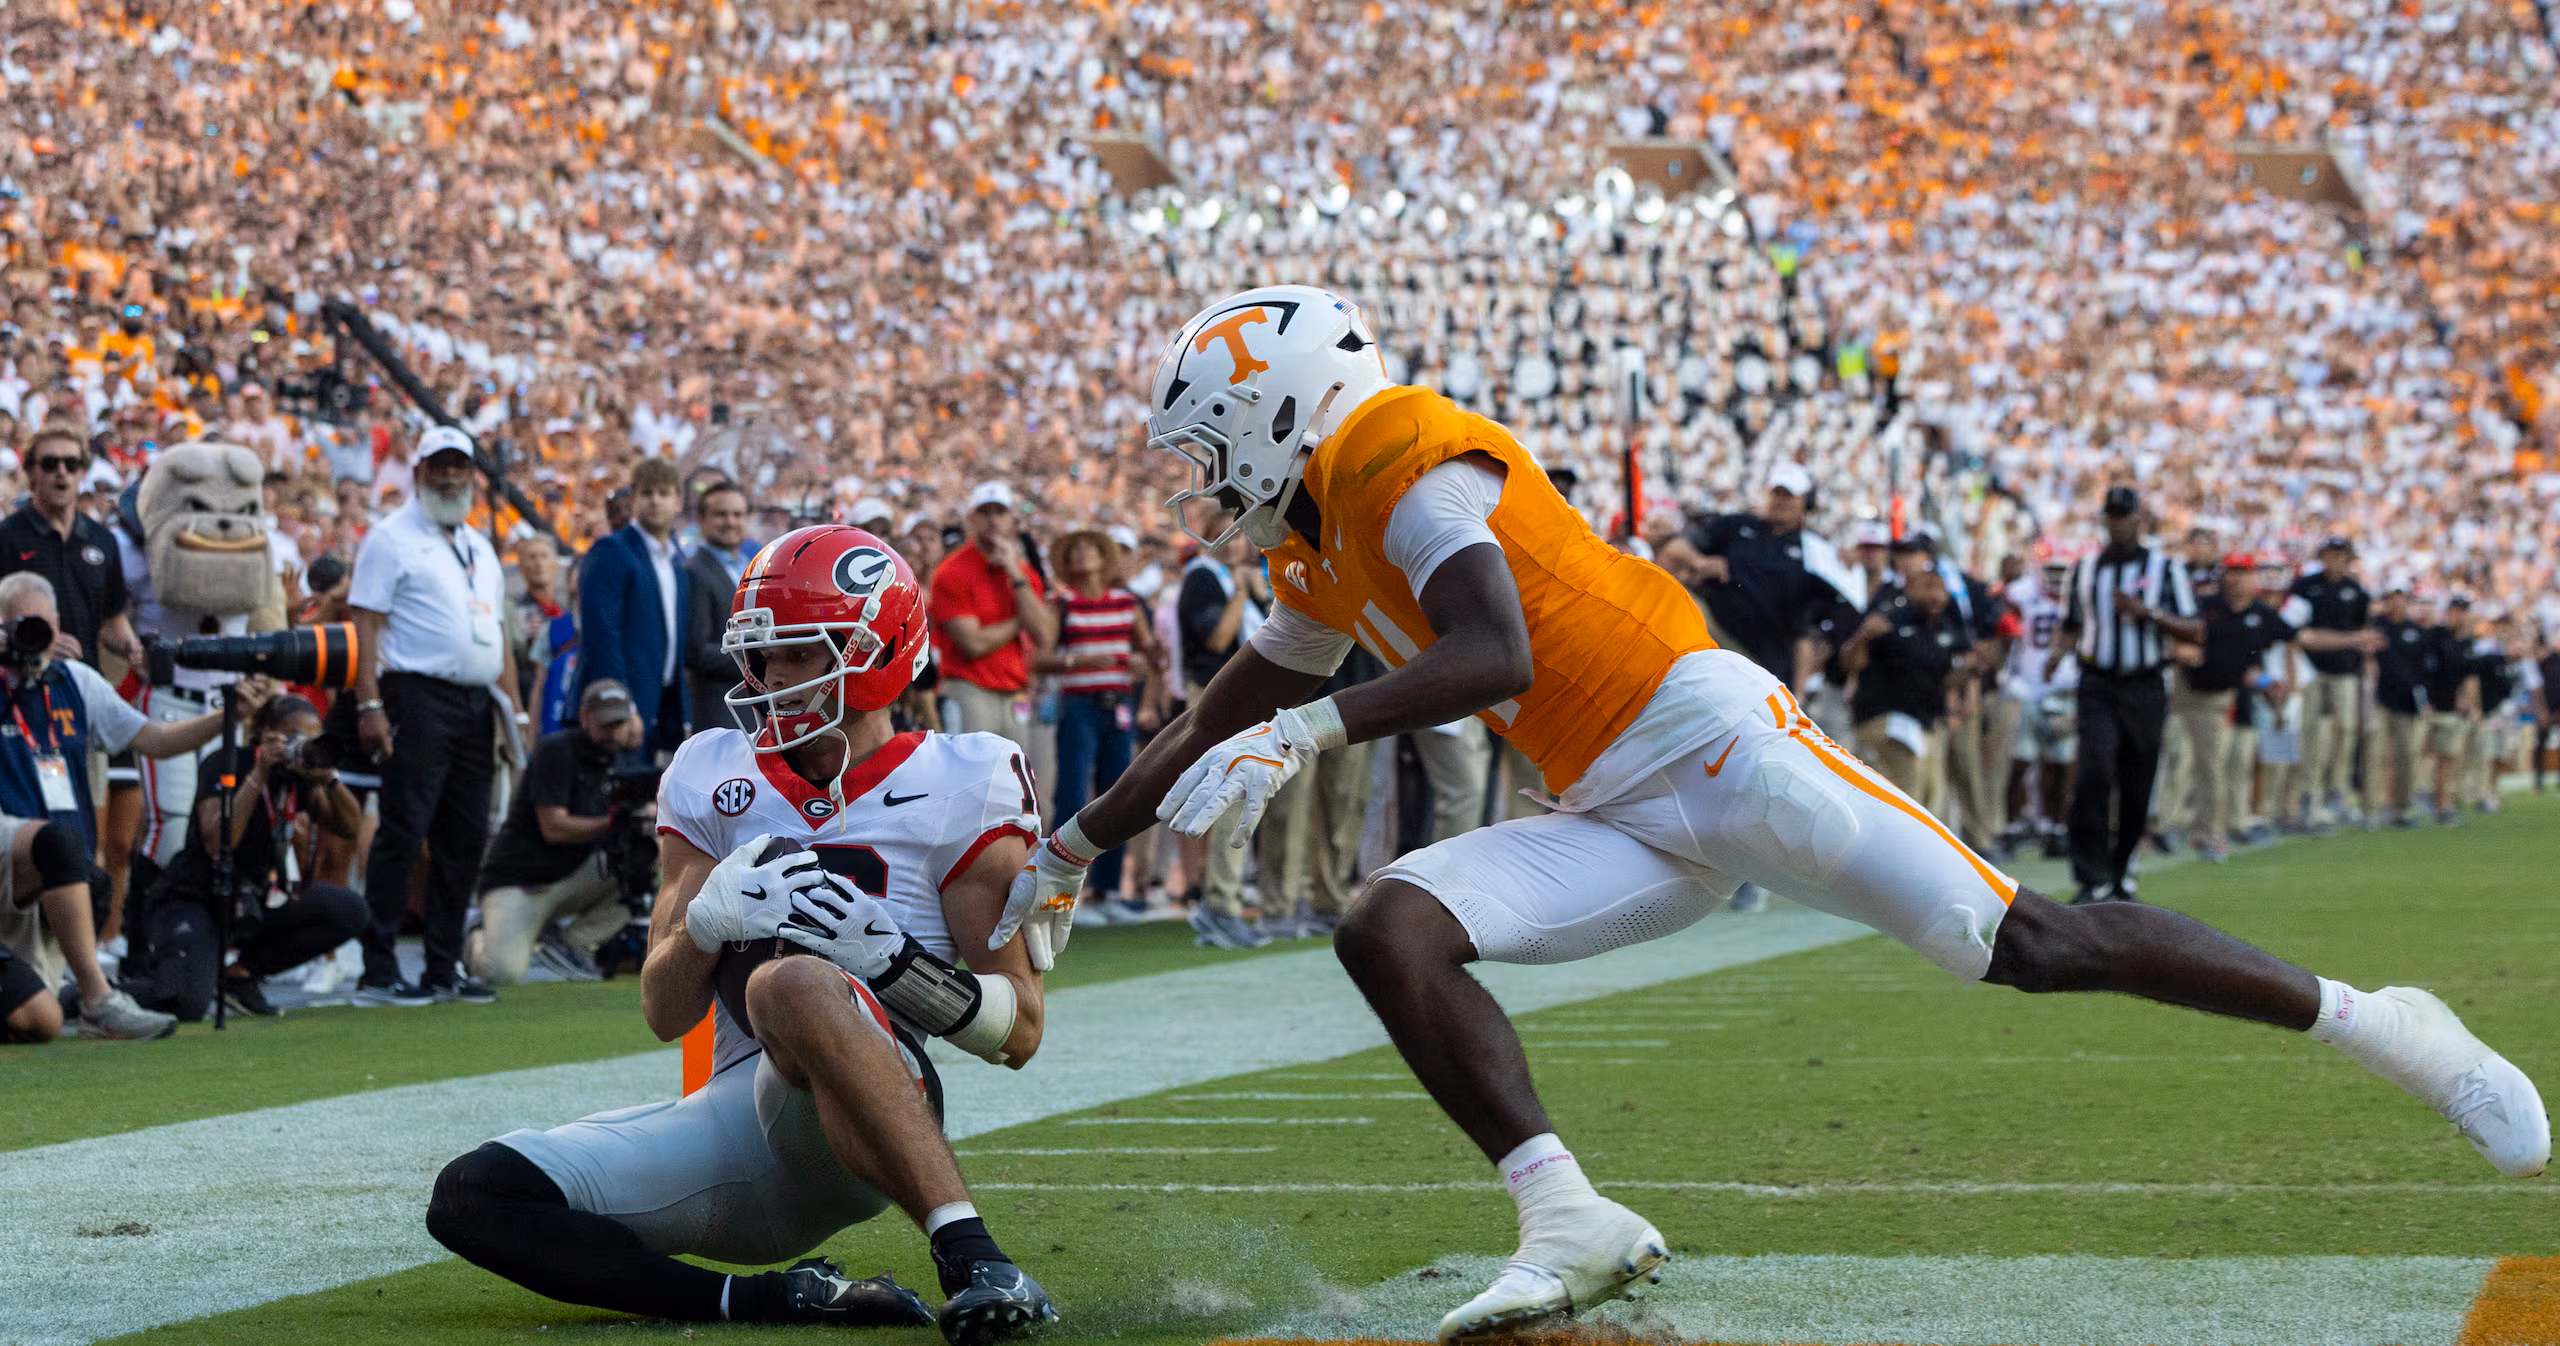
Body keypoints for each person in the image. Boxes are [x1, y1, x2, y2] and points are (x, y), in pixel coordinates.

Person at [994, 286, 2550, 1343]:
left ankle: (2382, 1022)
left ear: (1279, 404)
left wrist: (1321, 721)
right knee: (1390, 921)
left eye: (1213, 442)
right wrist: (1073, 847)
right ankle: (1568, 1215)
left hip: (1710, 733)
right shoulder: (1313, 550)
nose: (1205, 482)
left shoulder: (1392, 439)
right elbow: (1217, 712)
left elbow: (1496, 648)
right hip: (1610, 799)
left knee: (2027, 943)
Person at [424, 526, 1056, 1343]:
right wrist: (707, 925)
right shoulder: (711, 770)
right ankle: (765, 1300)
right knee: (472, 1195)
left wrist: (891, 966)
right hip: (736, 1117)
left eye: (798, 653)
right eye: (760, 657)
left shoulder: (965, 777)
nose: (770, 678)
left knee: (788, 983)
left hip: (872, 1112)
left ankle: (974, 1256)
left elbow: (1021, 1032)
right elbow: (663, 1010)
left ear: (879, 652)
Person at [0, 571, 259, 1040]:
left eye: (42, 625)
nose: (33, 638)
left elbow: (154, 740)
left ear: (60, 626)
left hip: (54, 865)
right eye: (20, 625)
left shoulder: (77, 681)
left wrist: (229, 717)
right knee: (60, 845)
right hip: (16, 848)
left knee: (42, 1020)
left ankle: (68, 992)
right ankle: (100, 998)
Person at [344, 425, 520, 1007]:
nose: (449, 476)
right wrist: (368, 703)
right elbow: (364, 622)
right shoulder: (390, 538)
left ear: (471, 475)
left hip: (474, 701)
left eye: (459, 467)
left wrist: (512, 714)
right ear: (417, 472)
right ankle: (378, 966)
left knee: (464, 836)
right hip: (413, 694)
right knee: (404, 828)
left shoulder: (478, 546)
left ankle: (442, 965)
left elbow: (497, 636)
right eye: (438, 466)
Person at [122, 695, 367, 1020]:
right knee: (184, 1001)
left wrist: (330, 778)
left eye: (312, 737)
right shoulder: (226, 761)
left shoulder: (300, 778)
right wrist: (259, 773)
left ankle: (241, 974)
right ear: (265, 732)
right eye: (295, 737)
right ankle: (97, 994)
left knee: (349, 910)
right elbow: (218, 843)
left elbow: (350, 828)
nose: (304, 747)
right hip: (196, 895)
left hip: (253, 896)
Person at [2054, 487, 2202, 903]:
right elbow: (2070, 624)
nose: (2117, 523)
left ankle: (2122, 872)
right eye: (2112, 515)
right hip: (2098, 683)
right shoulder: (2083, 569)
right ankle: (2091, 875)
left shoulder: (2165, 569)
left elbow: (2194, 628)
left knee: (2138, 780)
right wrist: (2054, 659)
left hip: (2144, 683)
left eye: (2125, 515)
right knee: (2094, 773)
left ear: (2140, 519)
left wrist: (2149, 613)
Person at [465, 680, 647, 986]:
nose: (611, 732)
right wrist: (613, 824)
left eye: (619, 723)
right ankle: (474, 937)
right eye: (605, 724)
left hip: (573, 876)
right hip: (520, 881)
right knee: (502, 972)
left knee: (647, 859)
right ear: (584, 716)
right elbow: (554, 828)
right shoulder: (556, 750)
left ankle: (573, 941)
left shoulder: (623, 762)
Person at [1032, 530, 1157, 915]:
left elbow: (1150, 654)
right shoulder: (1062, 603)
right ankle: (1061, 898)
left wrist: (1141, 664)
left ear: (1104, 559)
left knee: (1119, 796)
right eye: (1075, 550)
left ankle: (1107, 892)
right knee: (1070, 796)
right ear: (1067, 564)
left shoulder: (1127, 602)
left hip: (1116, 705)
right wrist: (1078, 663)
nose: (1083, 554)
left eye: (1089, 549)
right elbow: (1039, 659)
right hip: (1079, 706)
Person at [1175, 524, 1270, 949]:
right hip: (1215, 699)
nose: (1235, 543)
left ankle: (1224, 904)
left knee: (1239, 799)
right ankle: (1220, 908)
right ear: (1207, 538)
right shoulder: (1201, 578)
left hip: (1242, 701)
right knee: (1230, 800)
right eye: (1225, 535)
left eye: (1239, 535)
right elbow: (1217, 639)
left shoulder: (1232, 578)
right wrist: (1240, 593)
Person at [0, 424, 143, 672]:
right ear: (31, 471)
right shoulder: (6, 537)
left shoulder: (102, 540)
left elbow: (112, 619)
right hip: (22, 687)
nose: (61, 471)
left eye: (71, 463)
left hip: (84, 685)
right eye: (49, 463)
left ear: (82, 472)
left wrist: (132, 646)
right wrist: (37, 643)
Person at [927, 482, 1055, 754]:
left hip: (1014, 691)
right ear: (972, 519)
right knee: (970, 776)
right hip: (969, 687)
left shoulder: (1022, 572)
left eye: (1000, 512)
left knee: (1014, 783)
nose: (993, 519)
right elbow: (972, 645)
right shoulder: (952, 571)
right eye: (985, 512)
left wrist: (1015, 575)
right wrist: (1021, 620)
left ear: (1011, 519)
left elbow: (1045, 636)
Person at [1681, 461, 1834, 685]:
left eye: (1789, 495)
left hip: (1762, 667)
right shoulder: (1736, 524)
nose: (1781, 501)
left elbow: (1809, 630)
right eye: (1776, 492)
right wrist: (1699, 561)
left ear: (1805, 502)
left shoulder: (1815, 552)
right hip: (1712, 641)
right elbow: (1678, 547)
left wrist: (1799, 690)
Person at [577, 457, 691, 754]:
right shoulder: (612, 550)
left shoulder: (676, 561)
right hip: (621, 708)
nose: (655, 501)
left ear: (677, 502)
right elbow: (602, 635)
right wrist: (620, 704)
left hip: (664, 705)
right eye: (646, 493)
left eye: (663, 493)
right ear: (634, 500)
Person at [1839, 557, 1970, 810]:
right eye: (1927, 588)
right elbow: (1851, 664)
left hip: (1926, 722)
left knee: (1933, 795)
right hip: (1887, 718)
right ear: (1909, 588)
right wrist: (1861, 638)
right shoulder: (1889, 619)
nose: (1935, 596)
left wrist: (1971, 672)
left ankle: (1925, 848)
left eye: (1940, 589)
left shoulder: (1944, 627)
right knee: (1908, 792)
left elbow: (1943, 680)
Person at [2286, 536, 2372, 827]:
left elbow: (2364, 632)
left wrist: (2361, 657)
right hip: (2311, 670)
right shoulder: (2306, 586)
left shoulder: (2355, 590)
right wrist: (2346, 641)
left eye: (2341, 554)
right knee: (2310, 733)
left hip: (2345, 671)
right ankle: (2309, 793)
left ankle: (2338, 789)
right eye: (2331, 554)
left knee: (2345, 730)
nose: (2335, 559)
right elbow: (2296, 633)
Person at [683, 479, 757, 734]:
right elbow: (696, 651)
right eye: (721, 514)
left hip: (757, 707)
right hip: (720, 710)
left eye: (738, 514)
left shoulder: (752, 567)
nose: (730, 522)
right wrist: (757, 655)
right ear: (702, 520)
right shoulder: (694, 572)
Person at [2368, 582, 2428, 826]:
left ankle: (2402, 808)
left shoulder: (2415, 630)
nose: (2396, 602)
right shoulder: (2375, 627)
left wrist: (2424, 701)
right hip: (2379, 699)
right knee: (2375, 756)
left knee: (2407, 756)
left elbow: (2422, 670)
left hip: (2406, 702)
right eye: (2391, 597)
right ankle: (2372, 808)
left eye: (2400, 597)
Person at [2420, 597, 2481, 827]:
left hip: (2450, 711)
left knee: (2448, 758)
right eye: (2454, 611)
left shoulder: (2466, 644)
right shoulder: (2436, 636)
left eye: (2462, 612)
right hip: (2428, 707)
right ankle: (2411, 801)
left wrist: (2473, 706)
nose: (2458, 616)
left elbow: (2469, 678)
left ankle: (2442, 805)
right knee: (2419, 755)